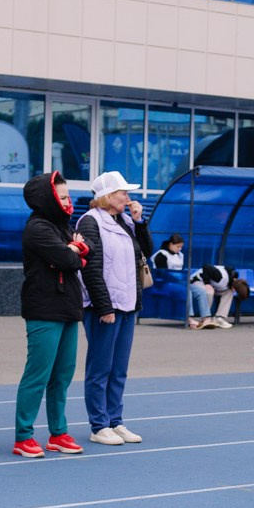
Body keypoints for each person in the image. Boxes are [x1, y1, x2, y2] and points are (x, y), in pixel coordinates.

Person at [13, 170, 88, 457]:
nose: (69, 202)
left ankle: (58, 433)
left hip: (68, 307)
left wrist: (75, 250)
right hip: (44, 309)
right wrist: (73, 250)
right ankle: (23, 436)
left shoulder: (62, 227)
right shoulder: (37, 228)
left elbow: (83, 253)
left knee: (62, 375)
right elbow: (70, 258)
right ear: (49, 198)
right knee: (38, 374)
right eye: (64, 196)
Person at [78, 170, 151, 445]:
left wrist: (139, 221)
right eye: (124, 193)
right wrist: (103, 306)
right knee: (101, 367)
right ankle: (99, 425)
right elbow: (91, 269)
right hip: (104, 307)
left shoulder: (124, 221)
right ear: (108, 196)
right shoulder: (90, 222)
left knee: (119, 368)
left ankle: (115, 421)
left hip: (128, 304)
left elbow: (146, 250)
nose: (128, 197)